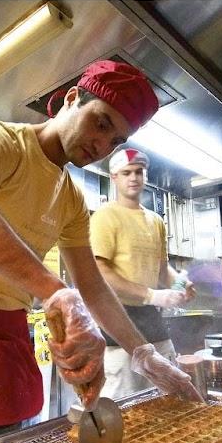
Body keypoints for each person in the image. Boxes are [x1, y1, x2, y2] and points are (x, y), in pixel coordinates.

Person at [0, 60, 200, 443]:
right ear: (70, 99)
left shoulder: (70, 198)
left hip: (13, 334)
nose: (102, 145)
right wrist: (57, 292)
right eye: (100, 123)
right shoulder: (2, 141)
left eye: (115, 140)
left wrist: (143, 353)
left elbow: (93, 286)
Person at [90, 147, 193, 401]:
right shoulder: (105, 216)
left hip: (153, 323)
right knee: (123, 404)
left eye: (138, 172)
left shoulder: (156, 221)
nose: (133, 178)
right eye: (126, 173)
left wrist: (180, 283)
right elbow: (100, 272)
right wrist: (152, 295)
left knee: (167, 396)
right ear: (114, 177)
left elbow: (161, 268)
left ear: (145, 176)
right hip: (117, 323)